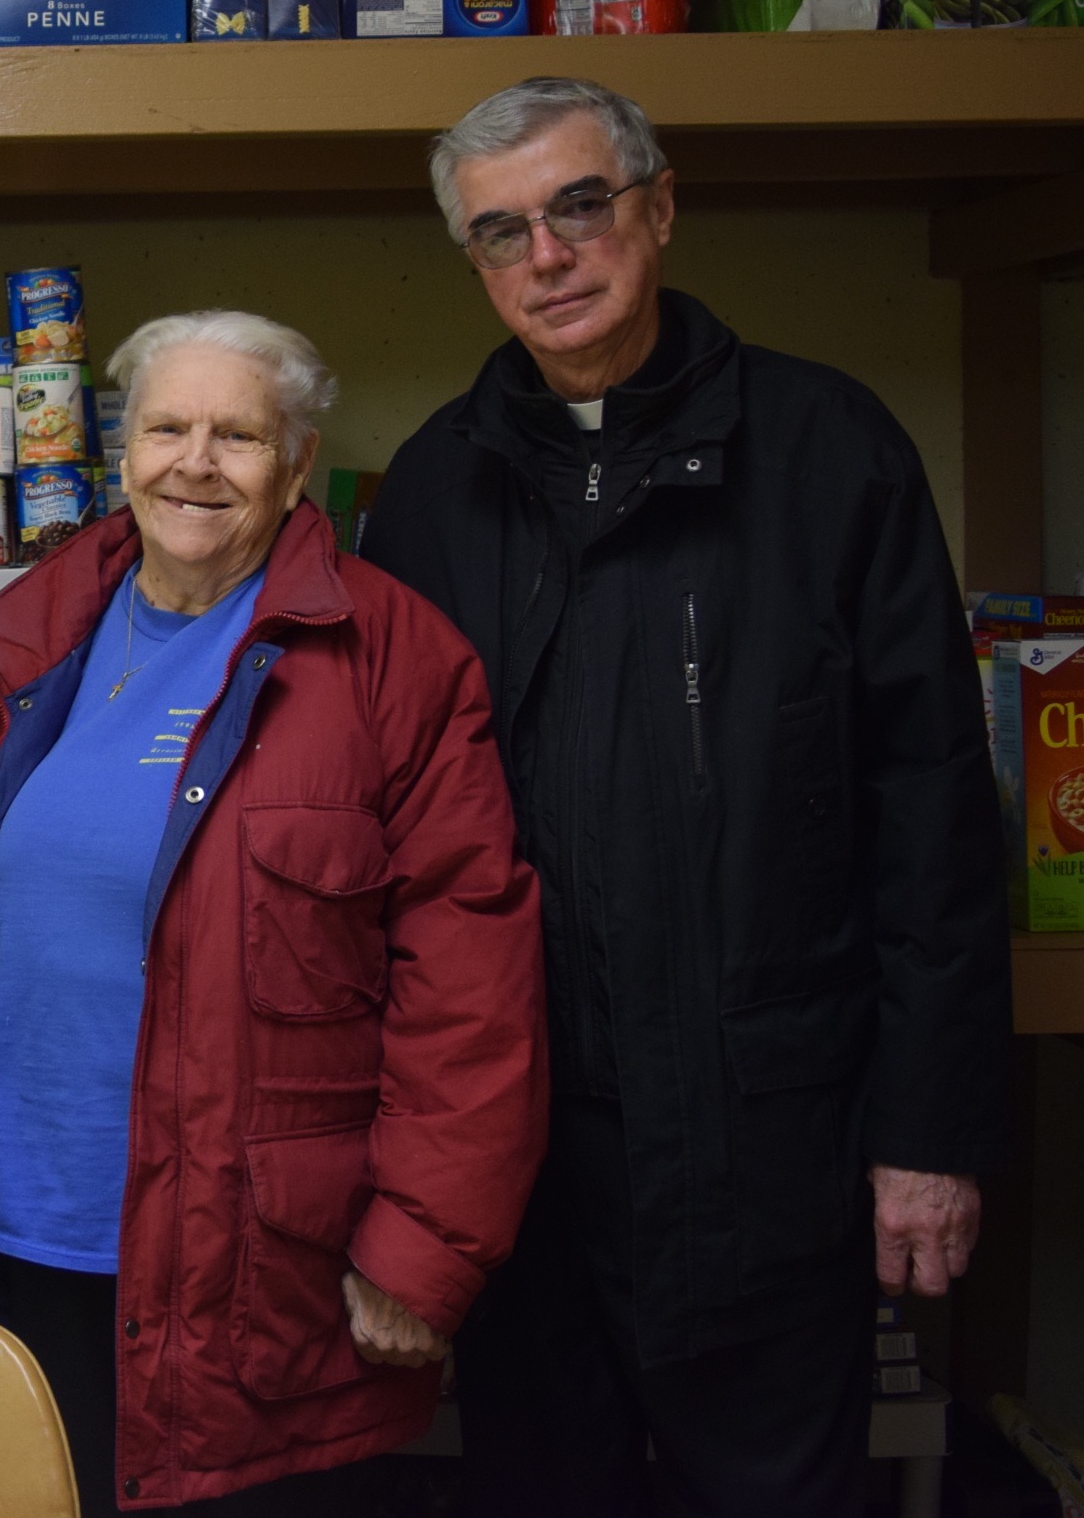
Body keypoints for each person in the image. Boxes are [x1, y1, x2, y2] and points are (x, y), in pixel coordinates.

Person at [0, 310, 548, 1513]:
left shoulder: (393, 658)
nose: (196, 461)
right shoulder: (45, 622)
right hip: (29, 1238)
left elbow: (471, 979)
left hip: (259, 1269)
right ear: (121, 447)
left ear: (298, 455)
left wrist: (426, 1248)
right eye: (168, 426)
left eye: (239, 434)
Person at [357, 77, 1013, 1518]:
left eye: (580, 207)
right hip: (518, 1166)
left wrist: (931, 1136)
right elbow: (380, 831)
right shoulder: (428, 499)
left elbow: (935, 827)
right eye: (501, 231)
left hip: (771, 1152)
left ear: (659, 208)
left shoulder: (833, 456)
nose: (548, 255)